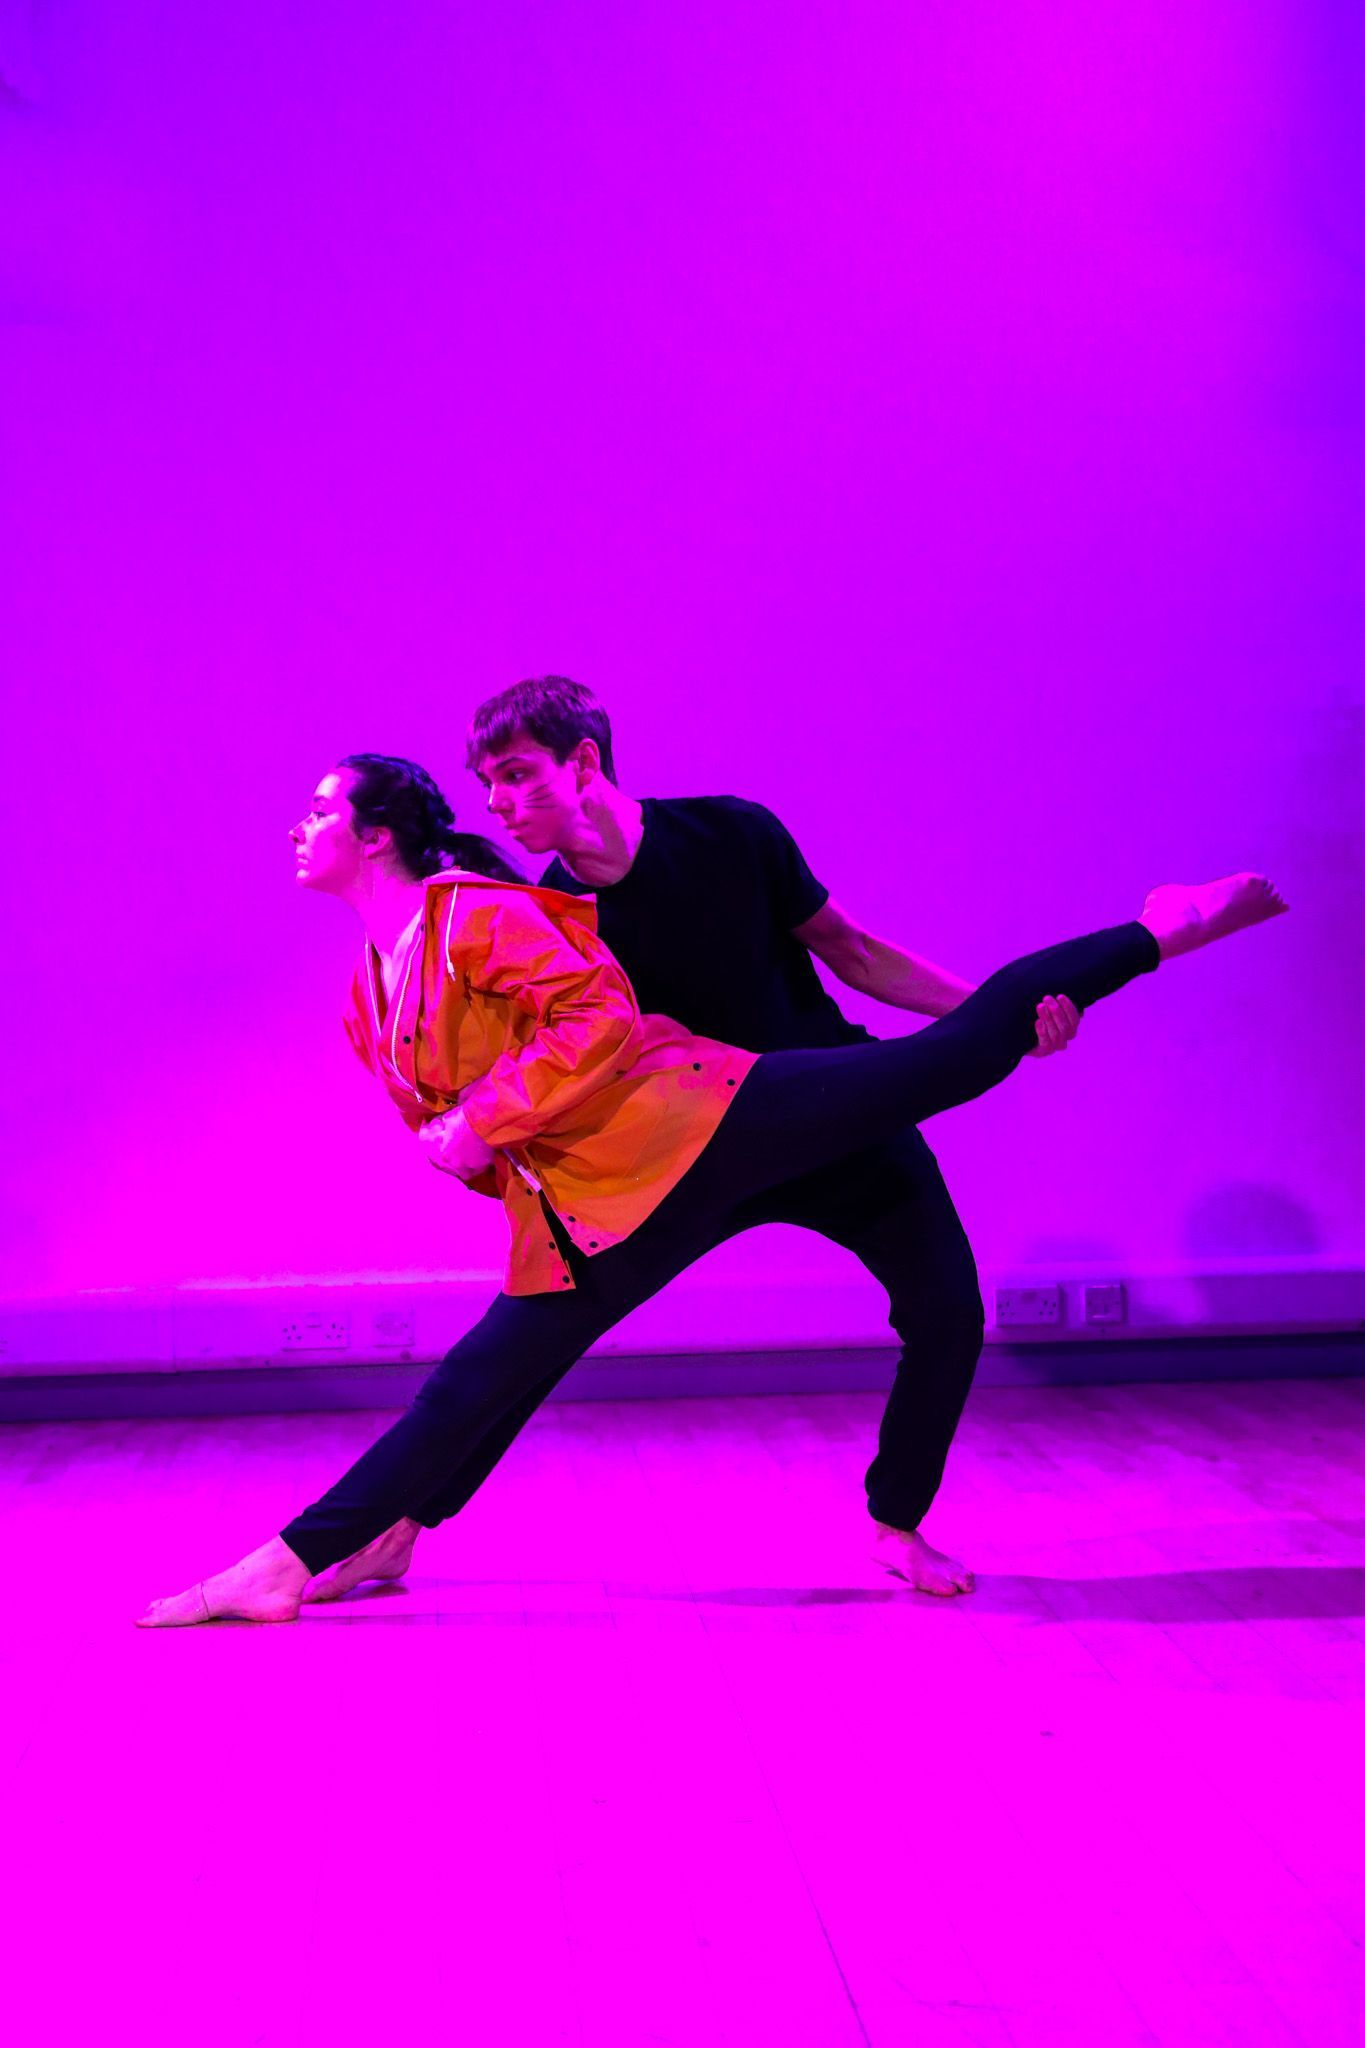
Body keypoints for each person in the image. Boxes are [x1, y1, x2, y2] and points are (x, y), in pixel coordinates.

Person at [136, 751, 1286, 1627]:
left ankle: (1156, 926)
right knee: (491, 1369)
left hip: (702, 1118)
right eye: (489, 784)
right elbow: (453, 1130)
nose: (298, 826)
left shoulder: (484, 913)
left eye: (322, 810)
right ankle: (383, 1530)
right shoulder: (367, 993)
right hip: (601, 1188)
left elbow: (597, 1019)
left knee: (958, 1071)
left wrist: (480, 1117)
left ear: (378, 837)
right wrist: (477, 1143)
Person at [315, 677, 1083, 1606]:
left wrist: (988, 1019)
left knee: (948, 1311)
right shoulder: (546, 911)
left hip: (830, 1111)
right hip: (686, 1154)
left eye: (519, 776)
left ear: (585, 761)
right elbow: (548, 1054)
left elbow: (855, 952)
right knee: (544, 1336)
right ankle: (397, 1523)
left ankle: (895, 1523)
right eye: (488, 786)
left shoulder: (730, 833)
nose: (501, 805)